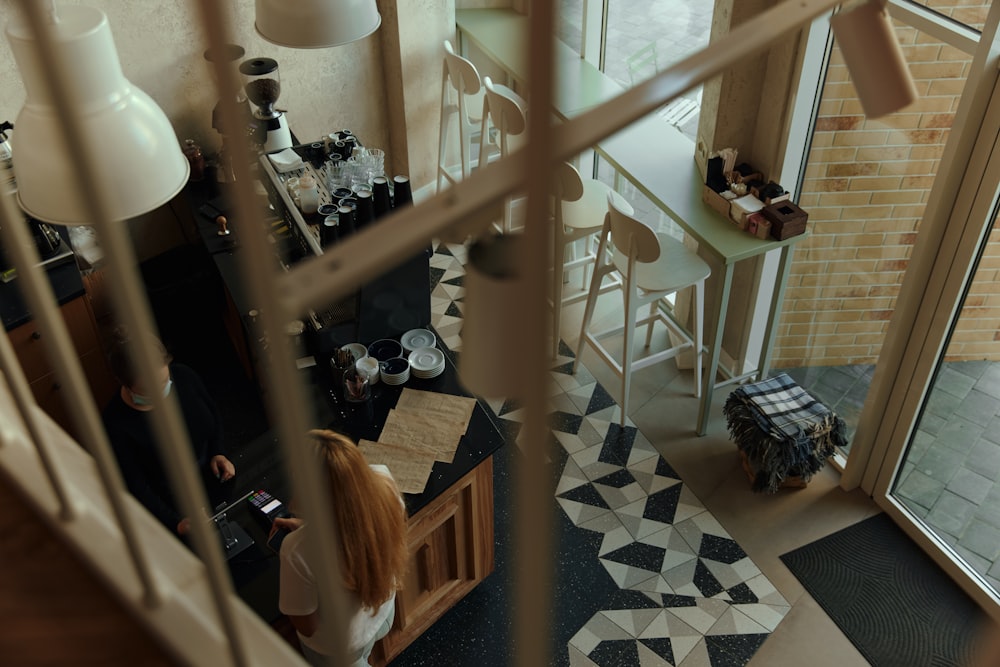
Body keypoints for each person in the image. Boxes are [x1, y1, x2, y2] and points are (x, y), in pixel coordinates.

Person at [272, 429, 408, 667]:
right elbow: (353, 522)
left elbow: (307, 626)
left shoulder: (297, 551)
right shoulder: (383, 482)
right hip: (383, 614)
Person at [101, 329, 235, 535]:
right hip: (170, 503)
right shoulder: (115, 424)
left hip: (214, 477)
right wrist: (175, 522)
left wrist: (218, 452)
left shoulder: (184, 376)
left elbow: (213, 414)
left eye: (164, 382)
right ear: (126, 384)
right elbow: (136, 484)